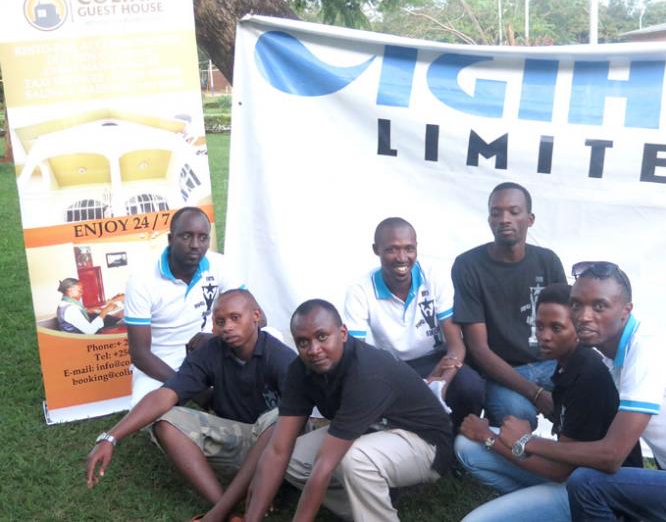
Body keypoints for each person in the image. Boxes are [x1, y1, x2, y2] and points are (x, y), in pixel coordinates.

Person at [495, 261, 666, 521]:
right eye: (576, 305)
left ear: (625, 311)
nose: (584, 316)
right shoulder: (613, 353)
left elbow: (611, 456)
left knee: (587, 483)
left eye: (599, 306)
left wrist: (526, 442)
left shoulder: (646, 352)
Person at [201, 299, 453, 522]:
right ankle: (366, 504)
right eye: (303, 342)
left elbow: (324, 466)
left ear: (342, 333)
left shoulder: (366, 372)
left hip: (424, 443)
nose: (314, 349)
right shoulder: (300, 370)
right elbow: (278, 450)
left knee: (352, 461)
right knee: (291, 457)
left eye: (322, 337)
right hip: (369, 431)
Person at [85, 290, 296, 510]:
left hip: (280, 449)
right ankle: (226, 510)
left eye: (235, 318)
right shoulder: (210, 351)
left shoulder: (280, 356)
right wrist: (110, 438)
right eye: (220, 321)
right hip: (240, 437)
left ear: (256, 316)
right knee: (166, 421)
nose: (228, 327)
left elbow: (296, 422)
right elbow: (166, 394)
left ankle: (236, 502)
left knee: (279, 420)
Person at [455, 283, 641, 522]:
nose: (544, 336)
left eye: (556, 328)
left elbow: (559, 471)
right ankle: (537, 507)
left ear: (577, 329)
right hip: (572, 473)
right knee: (466, 446)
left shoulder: (587, 375)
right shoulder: (566, 365)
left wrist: (491, 438)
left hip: (596, 491)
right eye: (540, 326)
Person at [343, 217, 484, 430]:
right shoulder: (360, 291)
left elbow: (456, 344)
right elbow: (357, 356)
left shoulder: (434, 276)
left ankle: (457, 443)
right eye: (392, 249)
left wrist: (440, 385)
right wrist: (422, 384)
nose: (402, 258)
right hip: (392, 366)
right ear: (376, 249)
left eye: (409, 248)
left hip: (438, 358)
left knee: (470, 386)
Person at [452, 182, 566, 429]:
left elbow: (567, 328)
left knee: (595, 383)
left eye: (514, 212)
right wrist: (536, 394)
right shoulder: (468, 265)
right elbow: (478, 349)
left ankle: (580, 456)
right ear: (489, 220)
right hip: (500, 371)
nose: (504, 219)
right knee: (518, 413)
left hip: (549, 364)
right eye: (496, 213)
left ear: (530, 219)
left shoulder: (548, 261)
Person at [124, 206, 244, 405]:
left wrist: (218, 337)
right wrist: (194, 390)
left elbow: (255, 316)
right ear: (171, 240)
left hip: (209, 349)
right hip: (162, 360)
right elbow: (140, 354)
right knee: (147, 408)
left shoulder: (219, 264)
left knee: (271, 335)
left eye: (203, 237)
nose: (195, 245)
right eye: (186, 236)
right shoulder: (141, 280)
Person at [56, 277, 123, 334]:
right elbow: (90, 331)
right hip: (80, 341)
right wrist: (105, 311)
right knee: (118, 325)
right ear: (70, 290)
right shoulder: (70, 310)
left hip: (77, 336)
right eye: (79, 291)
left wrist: (89, 310)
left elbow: (79, 311)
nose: (82, 293)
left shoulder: (65, 303)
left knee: (112, 319)